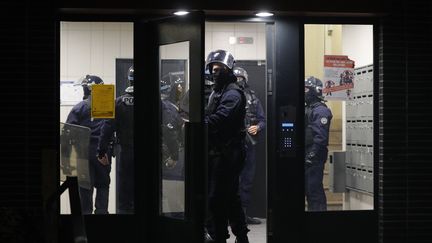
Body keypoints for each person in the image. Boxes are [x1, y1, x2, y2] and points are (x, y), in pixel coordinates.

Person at [204, 50, 249, 243]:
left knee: (216, 199)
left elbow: (221, 118)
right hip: (219, 151)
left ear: (228, 69)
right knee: (231, 196)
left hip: (229, 152)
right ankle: (241, 236)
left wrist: (200, 125)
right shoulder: (218, 91)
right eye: (212, 68)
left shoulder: (232, 92)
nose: (215, 72)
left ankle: (220, 237)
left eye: (219, 68)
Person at [66, 75, 111, 214]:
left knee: (85, 188)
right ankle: (102, 220)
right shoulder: (107, 107)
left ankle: (86, 222)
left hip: (83, 154)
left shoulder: (79, 108)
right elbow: (111, 129)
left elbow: (69, 132)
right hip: (103, 153)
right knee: (103, 185)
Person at [97, 65, 134, 214]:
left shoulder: (118, 102)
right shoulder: (153, 102)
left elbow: (107, 128)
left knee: (124, 192)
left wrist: (101, 151)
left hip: (125, 153)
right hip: (148, 153)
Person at [233, 66, 265, 225]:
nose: (239, 81)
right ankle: (230, 216)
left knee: (247, 180)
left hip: (249, 145)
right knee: (231, 180)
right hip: (230, 146)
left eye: (241, 78)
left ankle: (243, 215)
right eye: (236, 78)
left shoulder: (253, 98)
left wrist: (257, 127)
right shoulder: (224, 96)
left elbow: (263, 120)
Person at [304, 76, 333, 211]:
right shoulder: (308, 108)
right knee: (308, 190)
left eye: (306, 89)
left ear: (315, 91)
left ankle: (319, 221)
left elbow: (320, 137)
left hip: (314, 157)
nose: (304, 92)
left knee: (314, 190)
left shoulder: (321, 110)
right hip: (307, 154)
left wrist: (312, 155)